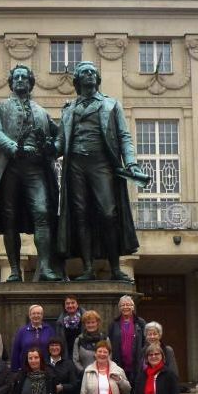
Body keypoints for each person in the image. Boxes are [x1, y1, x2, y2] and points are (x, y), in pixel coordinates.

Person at [54, 60, 150, 282]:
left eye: (92, 72)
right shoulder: (69, 109)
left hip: (101, 164)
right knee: (80, 215)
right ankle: (87, 267)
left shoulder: (111, 104)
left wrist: (131, 163)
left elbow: (124, 136)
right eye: (84, 73)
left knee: (108, 214)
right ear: (77, 81)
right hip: (75, 165)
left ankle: (115, 267)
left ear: (97, 79)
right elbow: (60, 142)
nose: (88, 75)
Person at [0, 65, 60, 282]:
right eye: (16, 77)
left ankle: (45, 267)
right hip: (10, 168)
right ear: (11, 82)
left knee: (42, 212)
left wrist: (51, 147)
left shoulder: (41, 111)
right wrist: (15, 148)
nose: (20, 80)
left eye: (24, 77)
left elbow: (59, 137)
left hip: (36, 169)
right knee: (10, 219)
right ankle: (15, 270)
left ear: (30, 82)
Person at [108, 295, 147, 394]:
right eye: (123, 305)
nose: (125, 307)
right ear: (119, 308)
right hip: (119, 365)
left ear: (133, 307)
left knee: (137, 393)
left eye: (128, 305)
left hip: (137, 365)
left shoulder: (140, 323)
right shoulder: (114, 324)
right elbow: (109, 344)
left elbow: (145, 343)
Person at [11, 304, 56, 372]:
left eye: (38, 313)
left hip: (46, 369)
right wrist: (15, 370)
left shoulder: (49, 330)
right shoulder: (22, 331)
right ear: (29, 316)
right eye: (33, 313)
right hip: (26, 370)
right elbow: (16, 351)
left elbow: (55, 349)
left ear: (42, 315)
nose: (36, 316)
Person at [56, 295, 84, 360]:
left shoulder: (85, 318)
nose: (70, 305)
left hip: (82, 354)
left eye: (73, 303)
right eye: (67, 303)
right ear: (65, 306)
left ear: (77, 305)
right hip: (67, 354)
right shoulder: (60, 322)